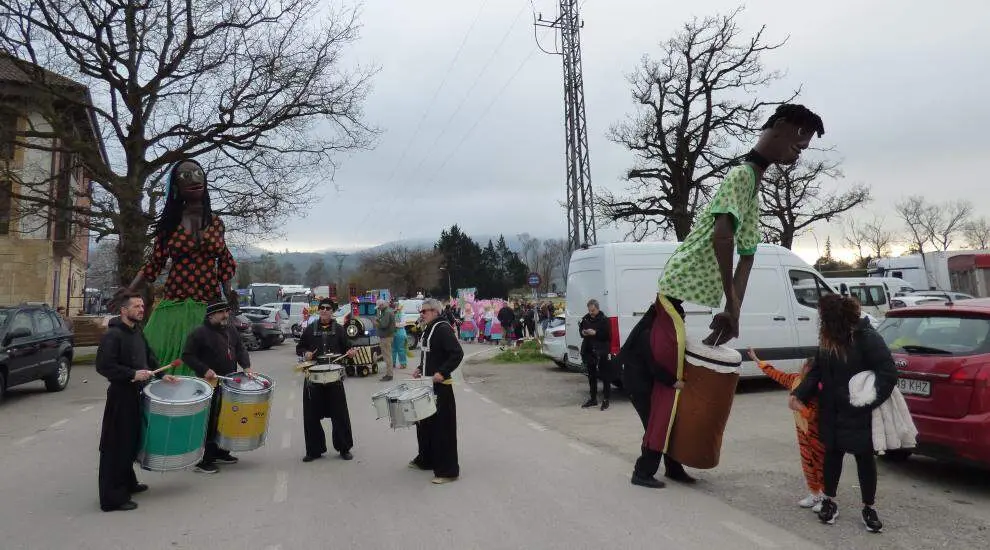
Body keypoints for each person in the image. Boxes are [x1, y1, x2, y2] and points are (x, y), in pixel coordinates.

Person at [623, 104, 825, 489]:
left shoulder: (753, 186)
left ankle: (666, 462)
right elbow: (723, 237)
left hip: (674, 300)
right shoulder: (740, 177)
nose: (797, 155)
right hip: (672, 295)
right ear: (779, 129)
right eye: (798, 146)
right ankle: (652, 465)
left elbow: (747, 256)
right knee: (661, 382)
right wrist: (731, 304)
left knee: (656, 379)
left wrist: (734, 309)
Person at [792, 295, 897, 533]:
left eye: (825, 320)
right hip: (832, 410)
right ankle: (830, 501)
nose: (822, 324)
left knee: (864, 459)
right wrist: (799, 394)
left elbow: (888, 373)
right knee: (832, 456)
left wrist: (869, 399)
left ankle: (868, 507)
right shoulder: (829, 340)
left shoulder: (868, 339)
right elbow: (816, 370)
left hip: (859, 411)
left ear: (836, 320)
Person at [127, 159, 237, 377]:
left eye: (198, 172)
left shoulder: (216, 223)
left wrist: (229, 295)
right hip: (176, 301)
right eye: (186, 176)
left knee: (211, 361)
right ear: (176, 187)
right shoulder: (170, 223)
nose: (195, 179)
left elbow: (224, 261)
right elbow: (154, 264)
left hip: (209, 303)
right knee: (161, 355)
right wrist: (129, 292)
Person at [96, 291, 179, 512]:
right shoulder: (113, 336)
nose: (141, 309)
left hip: (137, 394)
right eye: (136, 306)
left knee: (131, 442)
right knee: (116, 445)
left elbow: (149, 358)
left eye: (142, 306)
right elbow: (104, 366)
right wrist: (132, 374)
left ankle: (128, 483)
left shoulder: (137, 332)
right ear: (123, 310)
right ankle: (112, 498)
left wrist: (161, 375)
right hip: (121, 396)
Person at [181, 301, 253, 474]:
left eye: (226, 312)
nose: (226, 315)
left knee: (225, 418)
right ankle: (204, 460)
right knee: (210, 421)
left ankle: (221, 452)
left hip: (228, 382)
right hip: (209, 384)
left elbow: (240, 348)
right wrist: (204, 369)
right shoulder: (199, 333)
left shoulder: (231, 330)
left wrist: (247, 366)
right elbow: (187, 356)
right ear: (211, 315)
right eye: (221, 312)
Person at [748, 350, 825, 512]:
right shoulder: (795, 380)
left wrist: (805, 412)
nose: (804, 371)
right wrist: (757, 360)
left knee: (820, 465)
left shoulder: (819, 388)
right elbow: (775, 374)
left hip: (817, 434)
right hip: (802, 433)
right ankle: (814, 493)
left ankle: (826, 497)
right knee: (807, 464)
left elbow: (816, 414)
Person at [296, 298, 359, 462]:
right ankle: (314, 450)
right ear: (318, 311)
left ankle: (344, 448)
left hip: (334, 377)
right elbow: (299, 348)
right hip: (313, 378)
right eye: (322, 308)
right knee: (311, 416)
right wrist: (306, 354)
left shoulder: (339, 330)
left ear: (332, 311)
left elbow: (348, 348)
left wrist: (351, 352)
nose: (324, 310)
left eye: (328, 308)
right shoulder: (310, 330)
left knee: (340, 415)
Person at [409, 298, 464, 484]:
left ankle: (448, 472)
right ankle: (426, 460)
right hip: (426, 385)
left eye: (424, 311)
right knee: (424, 426)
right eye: (421, 312)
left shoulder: (442, 328)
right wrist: (420, 367)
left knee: (442, 430)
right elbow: (431, 354)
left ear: (434, 311)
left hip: (441, 387)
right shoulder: (429, 329)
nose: (421, 315)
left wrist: (443, 371)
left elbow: (457, 353)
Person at [580, 299, 613, 410]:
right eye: (589, 310)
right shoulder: (585, 318)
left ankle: (606, 399)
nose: (591, 313)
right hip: (589, 351)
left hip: (601, 350)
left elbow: (607, 336)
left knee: (605, 376)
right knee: (591, 376)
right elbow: (581, 331)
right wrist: (583, 332)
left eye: (593, 310)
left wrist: (596, 333)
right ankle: (593, 399)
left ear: (597, 308)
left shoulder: (604, 320)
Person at [375, 299, 397, 382]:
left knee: (387, 356)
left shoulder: (387, 312)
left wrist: (377, 322)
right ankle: (389, 374)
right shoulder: (387, 311)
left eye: (379, 307)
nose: (378, 309)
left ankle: (389, 374)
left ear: (382, 305)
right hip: (387, 336)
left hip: (386, 337)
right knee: (387, 355)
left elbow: (384, 324)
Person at [392, 304, 409, 369]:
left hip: (400, 332)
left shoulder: (402, 314)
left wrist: (394, 324)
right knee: (393, 349)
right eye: (396, 308)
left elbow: (403, 323)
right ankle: (392, 363)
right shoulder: (392, 313)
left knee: (400, 349)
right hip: (393, 332)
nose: (397, 309)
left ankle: (403, 363)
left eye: (398, 308)